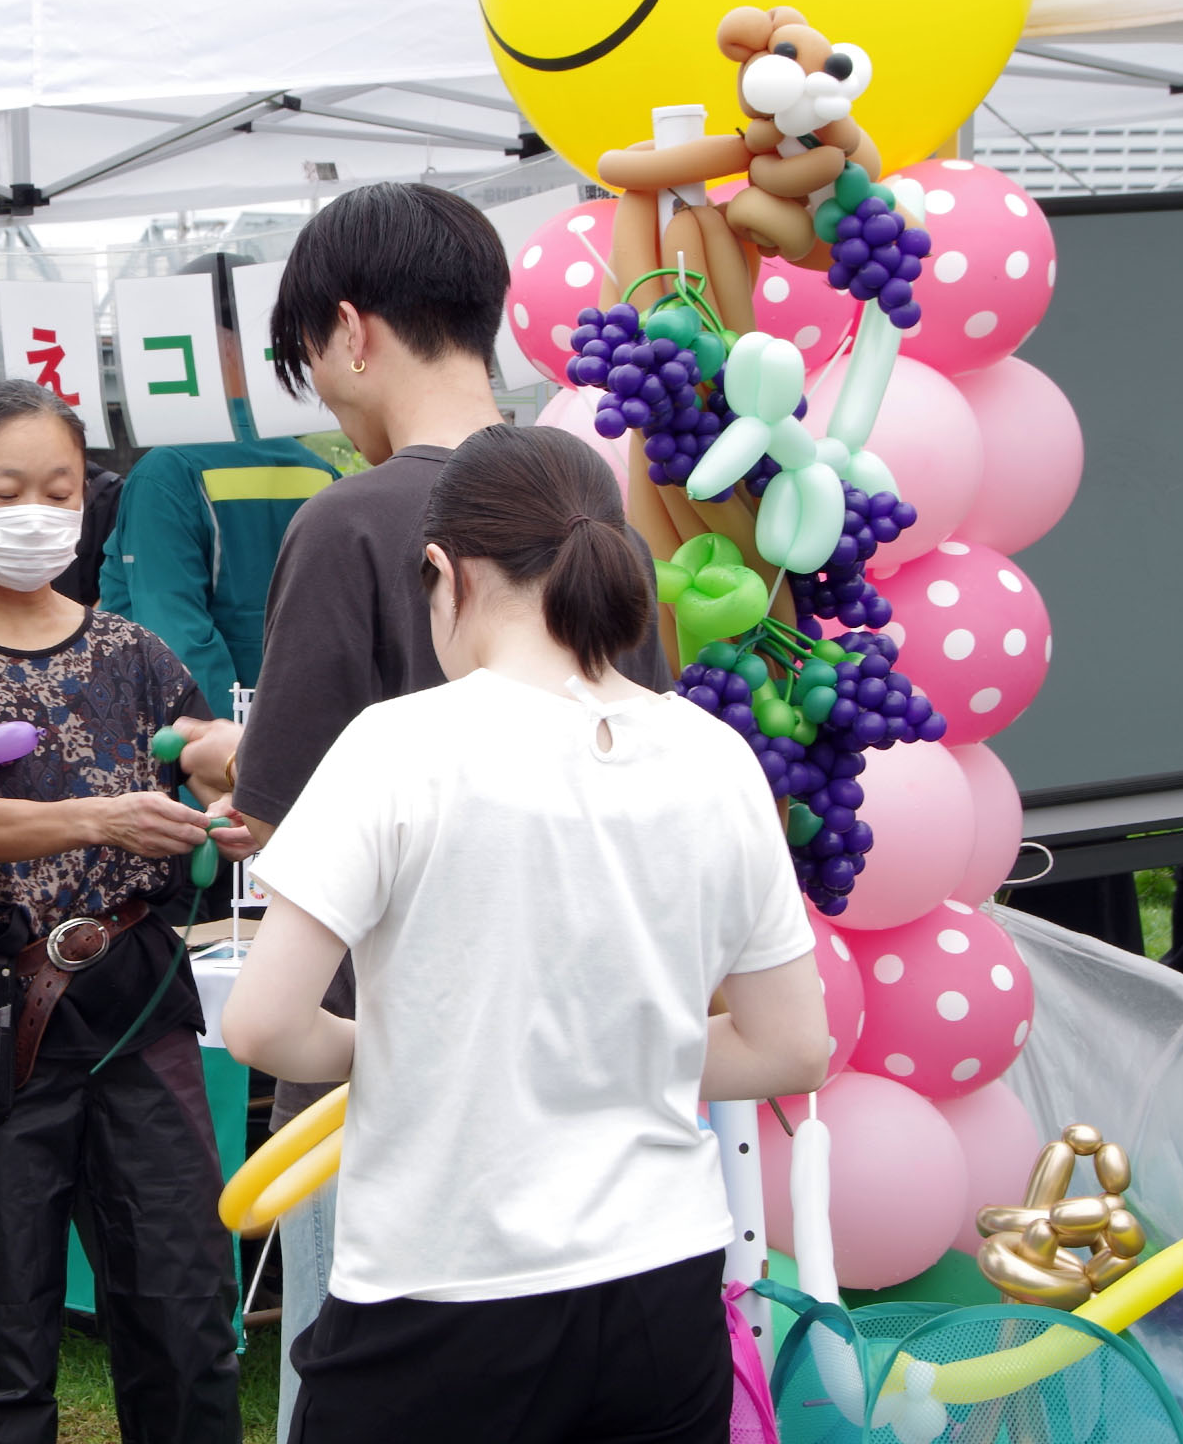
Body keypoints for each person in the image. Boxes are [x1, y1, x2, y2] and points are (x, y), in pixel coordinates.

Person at [166, 182, 672, 1440]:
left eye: (311, 365)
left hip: (395, 1084)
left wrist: (237, 759)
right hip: (595, 1084)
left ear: (351, 329)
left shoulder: (355, 520)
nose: (327, 397)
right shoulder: (595, 506)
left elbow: (293, 829)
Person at [223, 423, 831, 1444]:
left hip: (443, 1286)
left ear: (441, 571)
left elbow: (264, 1025)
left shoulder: (399, 746)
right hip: (663, 1283)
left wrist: (407, 1048)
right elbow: (791, 1045)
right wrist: (615, 1057)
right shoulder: (715, 755)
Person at [0, 379, 249, 1444]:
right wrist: (107, 816)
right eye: (8, 487)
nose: (37, 509)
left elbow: (205, 748)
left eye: (60, 488)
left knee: (185, 1315)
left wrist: (236, 793)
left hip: (138, 1011)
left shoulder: (138, 653)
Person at [97, 258, 336, 713]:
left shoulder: (169, 473)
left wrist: (219, 758)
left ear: (205, 342)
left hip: (205, 757)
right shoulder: (321, 472)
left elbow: (176, 646)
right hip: (309, 735)